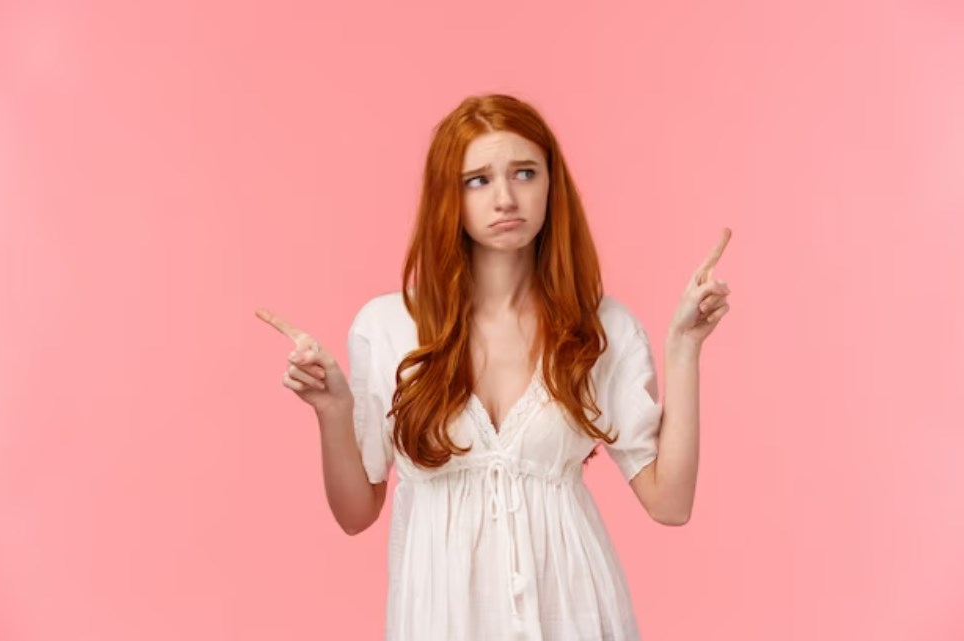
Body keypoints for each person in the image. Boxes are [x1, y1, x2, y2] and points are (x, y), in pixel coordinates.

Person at [256, 93, 732, 640]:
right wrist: (332, 411)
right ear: (447, 196)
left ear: (552, 186)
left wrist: (684, 348)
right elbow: (355, 514)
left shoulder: (600, 327)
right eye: (478, 180)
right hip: (441, 620)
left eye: (525, 173)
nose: (506, 197)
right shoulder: (388, 327)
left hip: (574, 615)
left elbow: (669, 503)